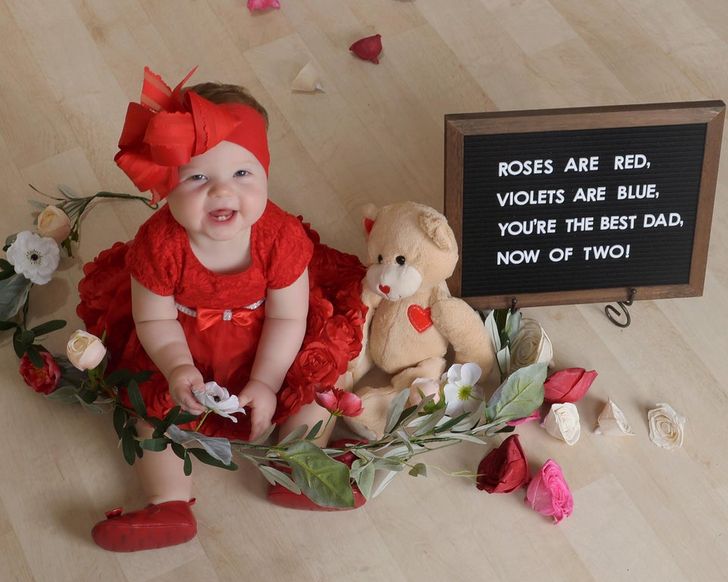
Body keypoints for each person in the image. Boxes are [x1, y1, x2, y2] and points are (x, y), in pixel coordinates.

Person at [77, 68, 367, 552]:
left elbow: (288, 317)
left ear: (265, 173)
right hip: (184, 341)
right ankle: (168, 503)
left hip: (269, 342)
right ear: (166, 184)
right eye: (197, 177)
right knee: (149, 413)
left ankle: (299, 468)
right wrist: (177, 367)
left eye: (242, 173)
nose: (221, 191)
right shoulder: (159, 244)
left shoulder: (279, 236)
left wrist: (267, 382)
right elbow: (154, 318)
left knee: (314, 387)